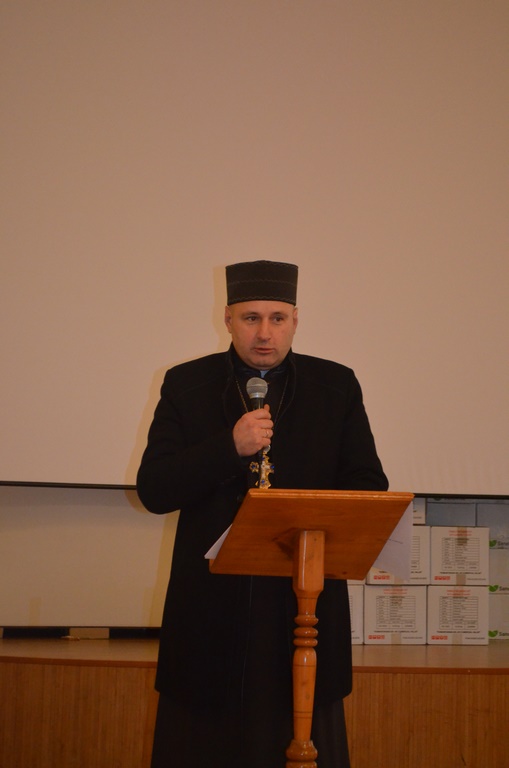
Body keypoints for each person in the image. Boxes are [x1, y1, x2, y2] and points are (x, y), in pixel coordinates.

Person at [137, 260, 388, 768]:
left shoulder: (335, 385)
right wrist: (227, 447)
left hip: (301, 607)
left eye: (278, 318)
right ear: (227, 319)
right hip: (211, 607)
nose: (265, 333)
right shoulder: (186, 384)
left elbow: (368, 485)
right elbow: (154, 489)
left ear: (296, 320)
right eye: (251, 318)